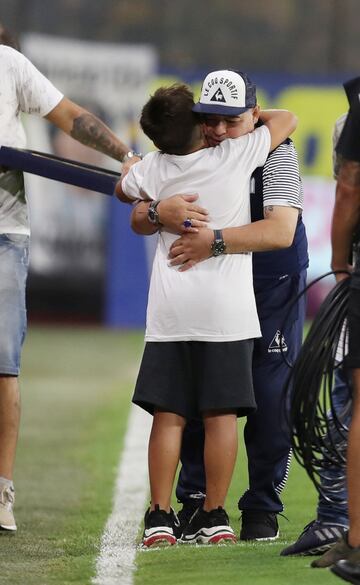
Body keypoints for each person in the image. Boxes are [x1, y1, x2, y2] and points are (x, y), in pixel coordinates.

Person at [117, 75, 297, 547]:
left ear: (252, 116)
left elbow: (280, 233)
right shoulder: (236, 154)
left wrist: (210, 240)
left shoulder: (161, 165)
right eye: (209, 119)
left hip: (251, 288)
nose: (218, 129)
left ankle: (205, 511)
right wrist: (159, 211)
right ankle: (207, 509)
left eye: (230, 120)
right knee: (219, 415)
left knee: (185, 412)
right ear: (197, 121)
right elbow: (138, 214)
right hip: (226, 309)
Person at [0, 27, 137, 532]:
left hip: (3, 234)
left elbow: (71, 117)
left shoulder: (8, 65)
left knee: (3, 367)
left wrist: (126, 158)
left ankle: (1, 489)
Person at [280, 114, 351, 558]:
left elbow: (348, 189)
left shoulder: (352, 120)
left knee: (345, 405)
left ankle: (335, 518)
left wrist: (343, 267)